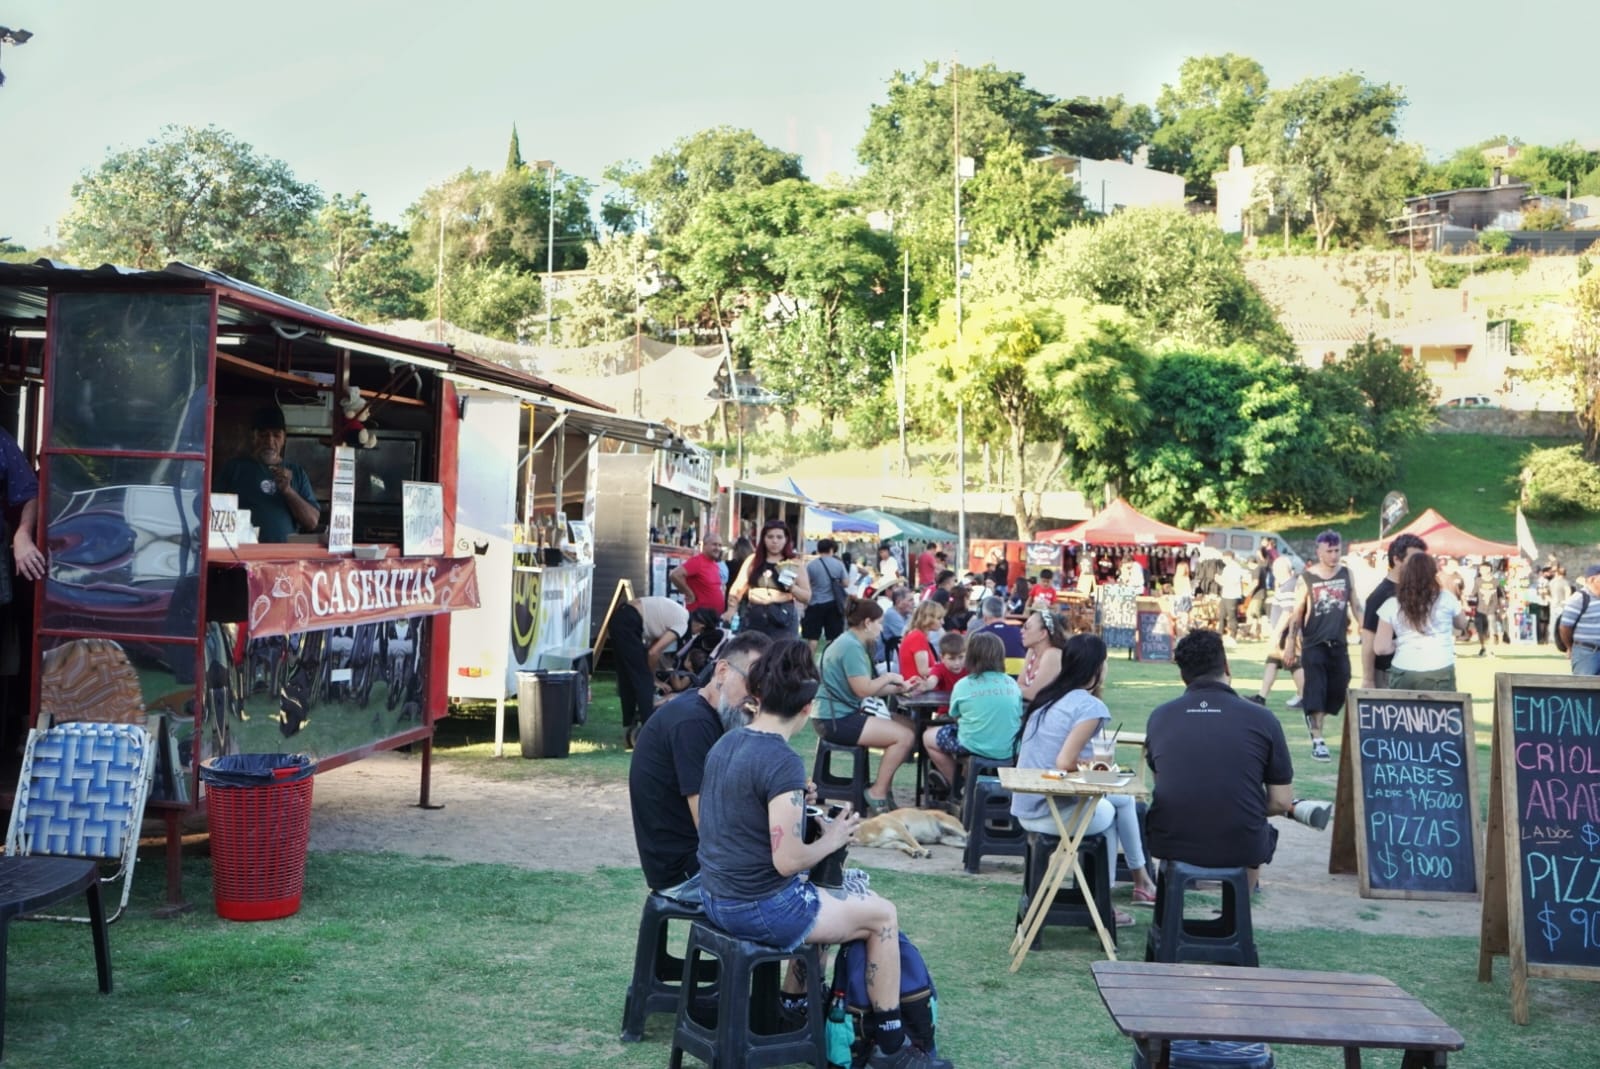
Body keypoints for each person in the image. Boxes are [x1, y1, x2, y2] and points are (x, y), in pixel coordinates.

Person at [697, 638, 953, 1069]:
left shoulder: (728, 742)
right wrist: (833, 837)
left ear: (757, 696)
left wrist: (796, 802)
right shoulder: (781, 759)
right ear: (806, 708)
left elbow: (740, 817)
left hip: (717, 896)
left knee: (826, 898)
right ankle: (891, 1047)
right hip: (758, 907)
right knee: (882, 915)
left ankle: (796, 1009)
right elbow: (787, 860)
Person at [1009, 633, 1157, 917]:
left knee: (1122, 801)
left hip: (1026, 805)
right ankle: (1104, 905)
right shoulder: (1089, 706)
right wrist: (1090, 764)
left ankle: (1142, 881)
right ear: (1097, 667)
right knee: (1108, 811)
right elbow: (1064, 762)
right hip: (1050, 810)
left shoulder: (1048, 697)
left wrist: (1085, 764)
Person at [1144, 629, 1295, 889]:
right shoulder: (1262, 718)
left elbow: (1166, 786)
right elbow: (1281, 801)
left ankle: (1173, 904)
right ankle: (1241, 904)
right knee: (1252, 828)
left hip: (1171, 840)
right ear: (1226, 666)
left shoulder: (1160, 717)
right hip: (1242, 843)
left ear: (1183, 675)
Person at [628, 632, 771, 901]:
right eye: (752, 684)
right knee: (799, 888)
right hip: (688, 873)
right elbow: (710, 826)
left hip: (697, 863)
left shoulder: (709, 714)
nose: (757, 698)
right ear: (722, 671)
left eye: (765, 689)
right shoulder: (693, 724)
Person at [814, 596, 923, 814]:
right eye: (879, 623)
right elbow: (863, 690)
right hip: (836, 720)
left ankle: (884, 786)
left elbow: (867, 688)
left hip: (840, 714)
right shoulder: (851, 647)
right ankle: (877, 792)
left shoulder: (850, 642)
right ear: (867, 623)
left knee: (910, 726)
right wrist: (890, 677)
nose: (881, 628)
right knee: (905, 736)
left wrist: (899, 688)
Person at [1283, 530, 1358, 763]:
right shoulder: (1307, 578)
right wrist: (1290, 643)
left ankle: (1313, 716)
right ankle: (1318, 739)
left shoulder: (1346, 574)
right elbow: (1297, 612)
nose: (1334, 555)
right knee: (1316, 691)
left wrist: (1367, 630)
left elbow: (1356, 605)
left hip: (1339, 643)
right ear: (1319, 552)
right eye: (1329, 551)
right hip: (1314, 643)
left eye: (1337, 550)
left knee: (1339, 687)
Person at [923, 631, 1020, 798]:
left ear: (970, 656)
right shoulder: (1012, 683)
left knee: (928, 737)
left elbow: (955, 715)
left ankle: (961, 785)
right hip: (1008, 748)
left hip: (974, 745)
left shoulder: (964, 684)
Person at [220, 405, 320, 542]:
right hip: (243, 551)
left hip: (284, 553)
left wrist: (288, 491)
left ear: (284, 438)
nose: (270, 441)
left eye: (276, 435)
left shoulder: (296, 472)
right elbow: (212, 508)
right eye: (263, 435)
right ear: (253, 437)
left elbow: (312, 522)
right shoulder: (234, 468)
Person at [1374, 553, 1468, 692]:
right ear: (1433, 574)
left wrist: (1398, 643)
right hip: (1439, 668)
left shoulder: (1392, 604)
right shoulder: (1447, 598)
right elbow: (1462, 624)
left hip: (1404, 669)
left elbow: (1381, 648)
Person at [614, 595, 691, 747]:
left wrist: (653, 677)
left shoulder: (675, 613)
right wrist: (653, 679)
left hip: (621, 616)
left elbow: (652, 650)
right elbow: (654, 652)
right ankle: (648, 729)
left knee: (628, 677)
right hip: (630, 620)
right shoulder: (682, 624)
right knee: (643, 681)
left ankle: (630, 724)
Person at [1359, 533, 1428, 690]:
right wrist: (1368, 680)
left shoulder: (1417, 589)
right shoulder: (1380, 596)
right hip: (1388, 675)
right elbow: (1369, 641)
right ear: (1396, 559)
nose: (1420, 564)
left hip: (1416, 672)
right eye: (1414, 559)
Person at [724, 519, 811, 638]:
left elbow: (807, 597)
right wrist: (731, 610)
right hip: (755, 619)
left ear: (786, 539)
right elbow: (737, 589)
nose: (774, 541)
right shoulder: (753, 560)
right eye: (770, 537)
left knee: (782, 650)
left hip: (783, 620)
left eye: (779, 537)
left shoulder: (794, 563)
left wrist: (792, 588)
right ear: (763, 539)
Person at [802, 538, 850, 650]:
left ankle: (809, 659)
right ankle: (830, 658)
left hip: (814, 603)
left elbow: (805, 584)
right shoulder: (838, 564)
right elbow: (846, 583)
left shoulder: (810, 565)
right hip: (833, 604)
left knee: (812, 637)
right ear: (831, 549)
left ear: (818, 549)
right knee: (833, 637)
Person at [1017, 607, 1067, 702]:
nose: (1021, 631)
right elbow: (1019, 684)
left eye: (1027, 627)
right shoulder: (1032, 651)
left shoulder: (1052, 655)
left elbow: (1033, 694)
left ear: (1043, 634)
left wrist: (1013, 689)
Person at [1557, 564, 1600, 675]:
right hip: (1586, 654)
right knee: (1586, 685)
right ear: (1592, 579)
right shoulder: (1579, 598)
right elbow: (1565, 627)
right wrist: (1570, 647)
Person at [669, 533, 725, 615]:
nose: (718, 548)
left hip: (714, 616)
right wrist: (689, 593)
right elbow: (674, 575)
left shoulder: (714, 564)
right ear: (704, 545)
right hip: (699, 617)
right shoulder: (697, 561)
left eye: (720, 545)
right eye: (714, 544)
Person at [897, 600, 946, 683]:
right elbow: (923, 671)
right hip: (917, 686)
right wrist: (945, 668)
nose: (942, 622)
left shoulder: (915, 634)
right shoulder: (918, 637)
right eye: (939, 618)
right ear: (927, 619)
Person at [970, 595, 1025, 664]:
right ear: (1004, 615)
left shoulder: (977, 636)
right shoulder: (1021, 634)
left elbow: (970, 663)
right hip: (1017, 671)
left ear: (984, 618)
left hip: (987, 670)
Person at [880, 587, 913, 667]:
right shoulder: (891, 614)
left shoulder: (907, 615)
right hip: (887, 663)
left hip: (898, 660)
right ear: (898, 602)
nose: (913, 603)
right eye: (910, 600)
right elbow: (910, 636)